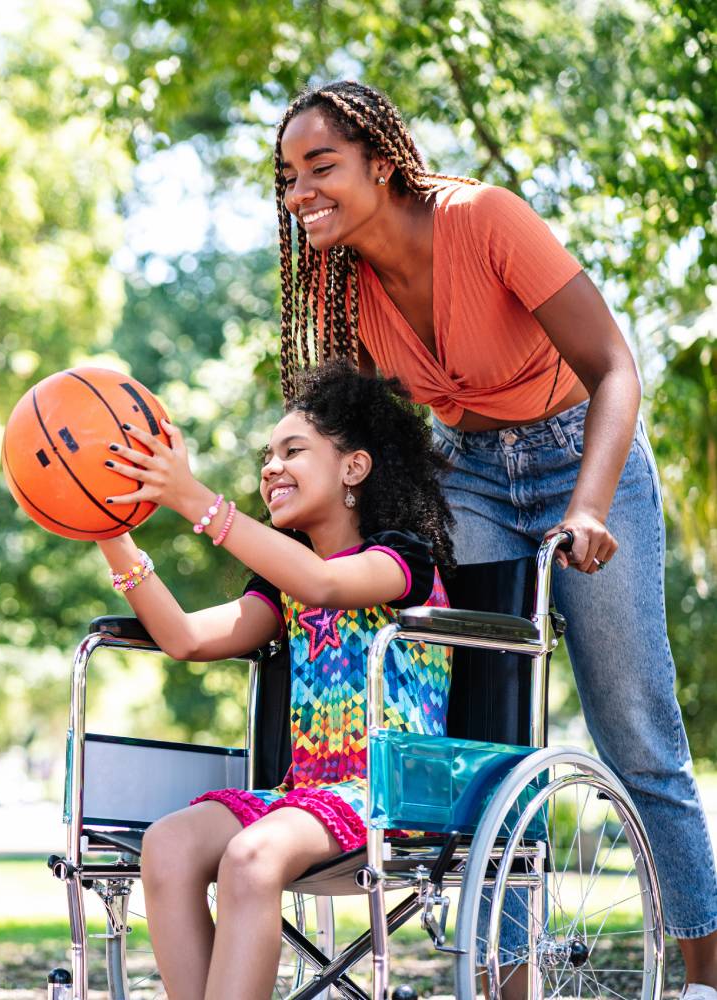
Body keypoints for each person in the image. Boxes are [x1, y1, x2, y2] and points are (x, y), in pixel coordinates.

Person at [272, 79, 717, 999]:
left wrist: (588, 505)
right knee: (491, 731)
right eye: (288, 175)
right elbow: (365, 436)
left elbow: (612, 367)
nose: (300, 192)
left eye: (321, 167)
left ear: (381, 165)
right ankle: (507, 980)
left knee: (635, 728)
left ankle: (706, 975)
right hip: (467, 472)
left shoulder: (485, 220)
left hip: (580, 453)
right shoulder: (345, 289)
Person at [95, 362, 455, 1000]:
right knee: (169, 844)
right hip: (305, 800)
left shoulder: (402, 559)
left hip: (390, 795)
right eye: (268, 455)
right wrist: (110, 533)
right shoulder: (281, 587)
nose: (271, 467)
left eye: (294, 450)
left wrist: (196, 501)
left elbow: (325, 584)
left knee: (251, 856)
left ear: (354, 468)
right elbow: (184, 638)